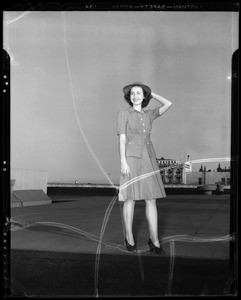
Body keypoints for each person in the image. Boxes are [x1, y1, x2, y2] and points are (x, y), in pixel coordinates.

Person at [117, 82, 172, 254]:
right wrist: (123, 162)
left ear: (144, 96)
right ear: (129, 97)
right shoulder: (123, 114)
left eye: (139, 93)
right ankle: (129, 238)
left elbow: (168, 104)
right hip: (131, 159)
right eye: (132, 93)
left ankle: (154, 241)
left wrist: (151, 93)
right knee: (130, 199)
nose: (135, 96)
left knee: (151, 199)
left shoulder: (149, 114)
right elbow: (122, 140)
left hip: (149, 159)